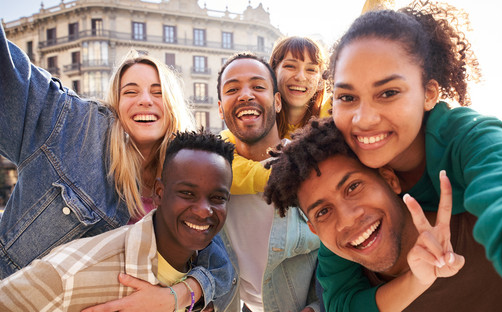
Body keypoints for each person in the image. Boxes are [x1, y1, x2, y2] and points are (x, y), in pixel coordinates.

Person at [304, 2, 502, 310]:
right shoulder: (343, 168)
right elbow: (341, 298)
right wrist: (415, 281)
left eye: (388, 92)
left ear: (430, 93)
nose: (364, 119)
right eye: (347, 97)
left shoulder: (465, 135)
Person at [0, 24, 231, 310]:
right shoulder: (73, 127)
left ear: (172, 104)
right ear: (116, 104)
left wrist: (176, 296)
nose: (145, 100)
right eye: (130, 91)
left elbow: (219, 265)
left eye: (157, 92)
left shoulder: (185, 167)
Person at [264, 118, 502, 311]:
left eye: (353, 187)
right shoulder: (342, 269)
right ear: (314, 230)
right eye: (323, 211)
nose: (347, 218)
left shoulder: (485, 230)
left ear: (390, 179)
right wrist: (417, 280)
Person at [0, 130, 236, 311]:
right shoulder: (70, 274)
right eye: (187, 193)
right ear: (159, 194)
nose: (205, 210)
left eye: (217, 198)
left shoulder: (217, 275)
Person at [216, 52, 320, 312]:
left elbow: (343, 256)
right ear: (220, 108)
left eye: (258, 86)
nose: (245, 95)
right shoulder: (212, 177)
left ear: (277, 102)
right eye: (232, 89)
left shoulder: (311, 166)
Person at [221, 36, 331, 195]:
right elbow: (220, 161)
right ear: (272, 73)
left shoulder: (333, 118)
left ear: (321, 81)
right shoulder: (256, 120)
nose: (300, 76)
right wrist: (277, 174)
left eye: (311, 69)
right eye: (290, 66)